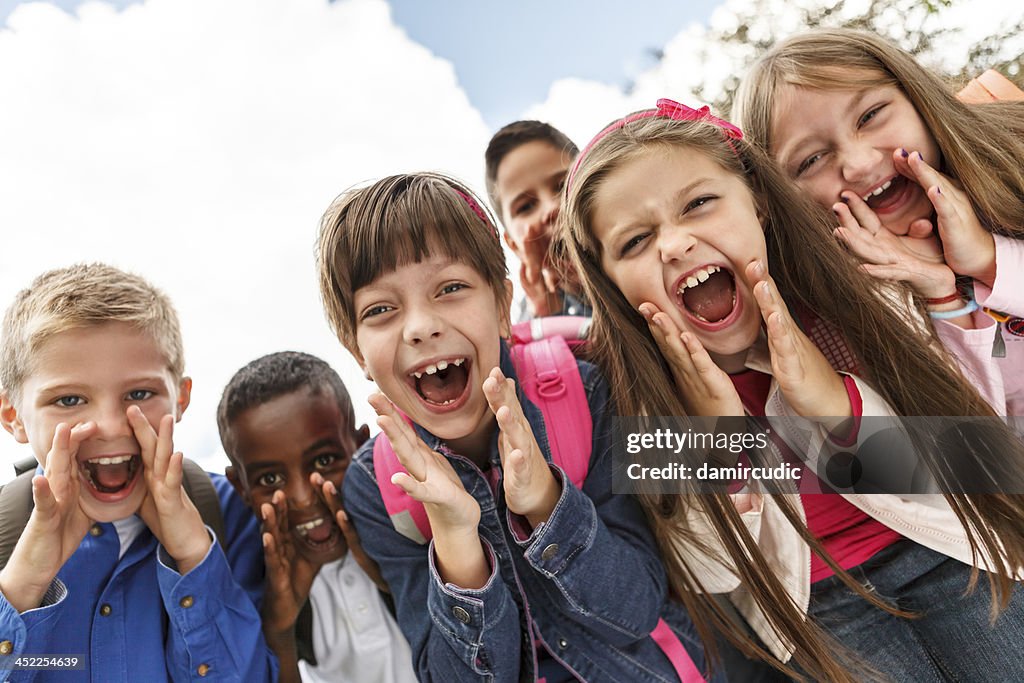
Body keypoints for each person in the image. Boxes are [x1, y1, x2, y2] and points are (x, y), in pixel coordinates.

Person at [557, 99, 1024, 682]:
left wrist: (834, 404)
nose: (674, 244)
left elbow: (982, 461)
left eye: (699, 204)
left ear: (758, 205)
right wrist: (719, 445)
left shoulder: (859, 294)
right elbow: (710, 571)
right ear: (612, 284)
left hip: (958, 553)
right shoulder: (640, 400)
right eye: (634, 242)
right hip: (820, 613)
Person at [316, 172, 710, 682]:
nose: (420, 326)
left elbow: (636, 607)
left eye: (451, 288)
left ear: (503, 306)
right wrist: (457, 544)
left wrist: (550, 507)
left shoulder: (586, 392)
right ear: (357, 352)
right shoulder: (377, 488)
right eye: (381, 310)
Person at [0, 263, 276, 681]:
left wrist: (194, 557)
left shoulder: (225, 511)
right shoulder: (5, 528)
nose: (110, 426)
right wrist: (21, 587)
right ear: (13, 416)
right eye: (70, 399)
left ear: (180, 398)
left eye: (140, 393)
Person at [732, 28, 1024, 416]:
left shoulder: (1012, 154)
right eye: (811, 160)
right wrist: (940, 296)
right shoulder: (837, 321)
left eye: (870, 116)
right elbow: (979, 450)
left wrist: (989, 258)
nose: (860, 163)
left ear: (916, 97)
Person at [217, 350, 417, 683]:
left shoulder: (411, 530)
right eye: (269, 480)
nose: (302, 497)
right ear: (241, 489)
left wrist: (396, 580)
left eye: (324, 461)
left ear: (360, 447)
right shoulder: (256, 581)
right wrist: (279, 628)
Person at [485, 120, 591, 320]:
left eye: (561, 186)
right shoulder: (531, 326)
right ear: (515, 246)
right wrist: (549, 318)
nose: (552, 208)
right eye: (525, 206)